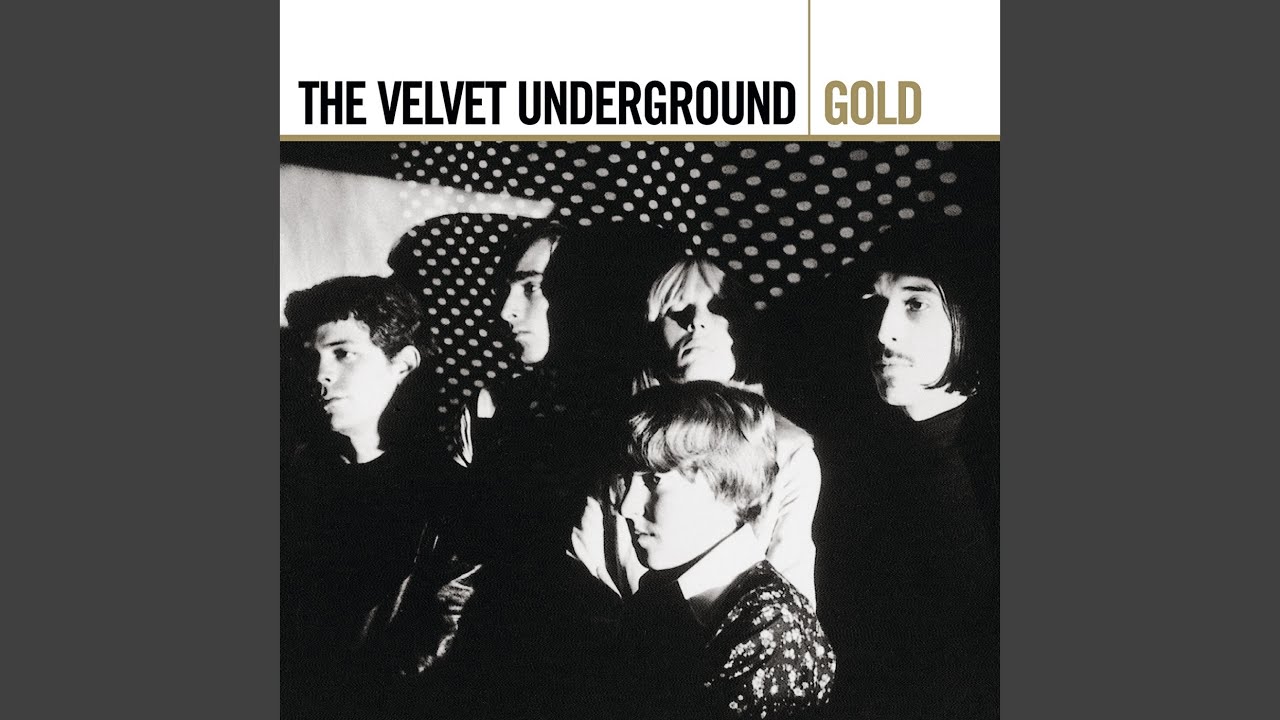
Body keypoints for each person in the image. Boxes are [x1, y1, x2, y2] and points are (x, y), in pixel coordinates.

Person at [812, 219, 999, 719]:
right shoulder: (847, 455)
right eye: (875, 305)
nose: (882, 331)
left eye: (915, 304)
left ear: (966, 314)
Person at [573, 257, 822, 604]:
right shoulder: (621, 442)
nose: (697, 321)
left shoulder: (789, 452)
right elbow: (587, 568)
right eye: (678, 309)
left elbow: (791, 593)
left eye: (719, 308)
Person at [280, 275, 459, 719]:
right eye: (313, 357)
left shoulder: (451, 499)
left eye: (343, 353)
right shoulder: (294, 478)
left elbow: (442, 643)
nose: (320, 374)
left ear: (403, 364)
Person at [608, 381, 835, 720]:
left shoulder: (769, 633)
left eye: (654, 480)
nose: (627, 507)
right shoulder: (663, 594)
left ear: (727, 483)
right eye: (627, 480)